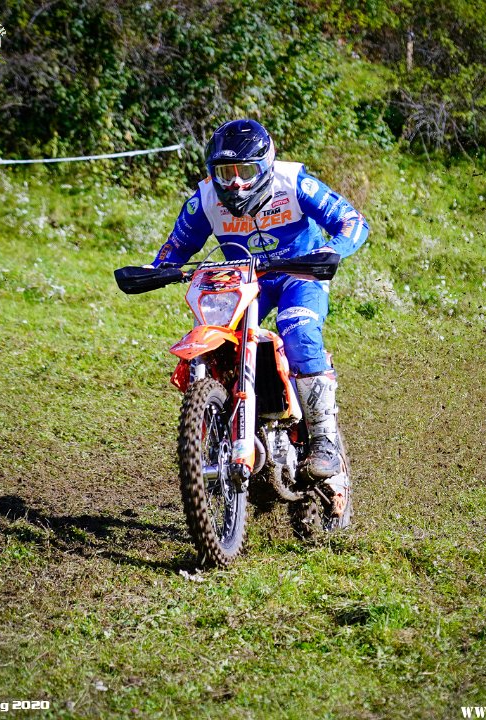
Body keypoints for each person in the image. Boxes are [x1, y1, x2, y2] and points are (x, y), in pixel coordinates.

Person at [151, 119, 369, 512]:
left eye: (246, 171)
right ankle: (224, 428)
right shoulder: (204, 199)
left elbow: (352, 221)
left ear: (266, 165)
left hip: (300, 274)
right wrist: (159, 268)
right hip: (244, 278)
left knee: (298, 330)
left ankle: (323, 441)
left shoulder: (294, 183)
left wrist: (332, 250)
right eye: (225, 173)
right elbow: (177, 246)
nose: (235, 183)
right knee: (217, 337)